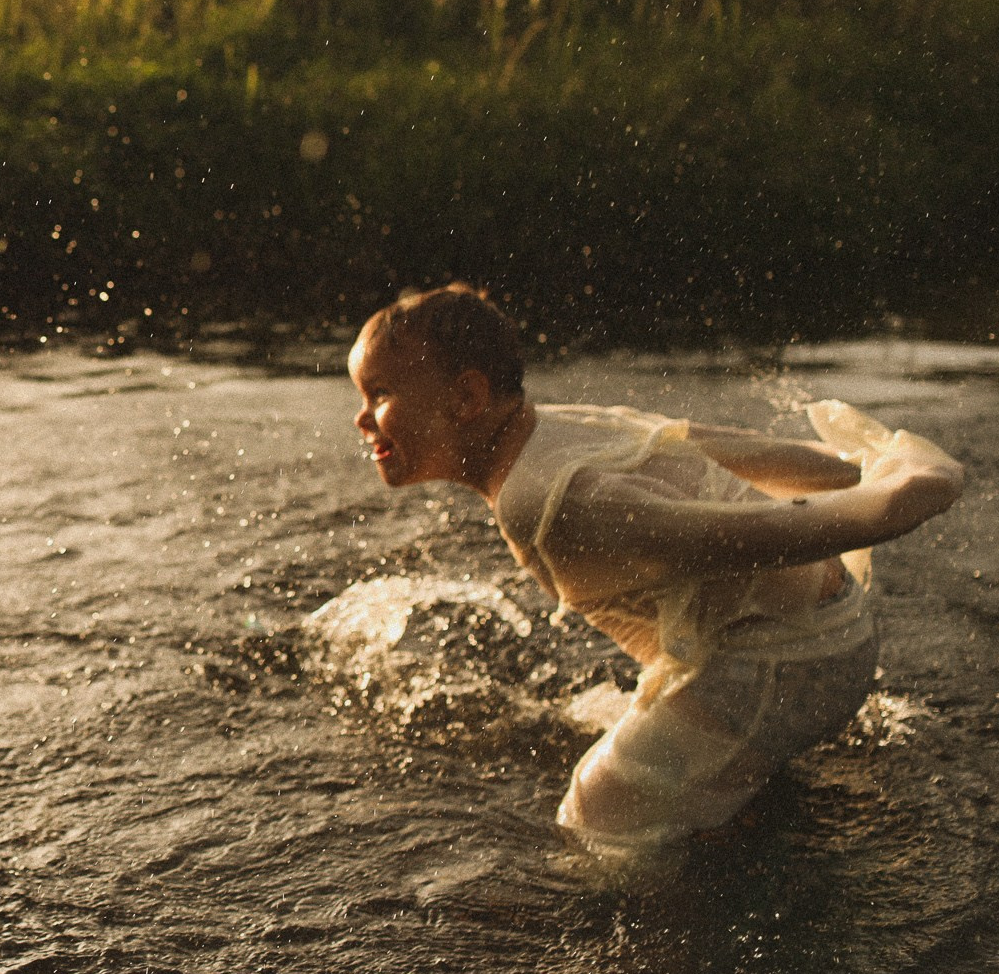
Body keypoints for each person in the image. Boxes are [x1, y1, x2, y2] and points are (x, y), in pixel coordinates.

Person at [346, 284, 964, 848]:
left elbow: (753, 534)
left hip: (794, 664)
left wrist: (894, 498)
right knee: (629, 719)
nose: (361, 417)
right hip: (826, 630)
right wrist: (860, 465)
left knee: (596, 812)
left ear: (467, 397)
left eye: (380, 394)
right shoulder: (555, 424)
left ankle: (691, 922)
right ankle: (747, 799)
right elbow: (726, 451)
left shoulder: (547, 502)